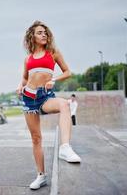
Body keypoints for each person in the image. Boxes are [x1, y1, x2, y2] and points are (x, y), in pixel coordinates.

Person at [16, 21, 81, 190]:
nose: (44, 34)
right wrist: (19, 86)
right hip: (28, 98)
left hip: (45, 97)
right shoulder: (28, 58)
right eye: (39, 32)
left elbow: (67, 72)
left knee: (64, 105)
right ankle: (41, 176)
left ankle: (65, 147)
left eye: (45, 32)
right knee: (36, 138)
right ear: (32, 36)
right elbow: (25, 78)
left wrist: (54, 79)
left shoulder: (53, 53)